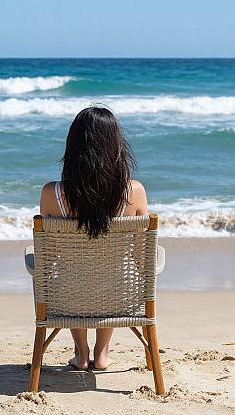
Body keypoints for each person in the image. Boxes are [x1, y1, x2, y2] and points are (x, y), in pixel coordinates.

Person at [39, 106, 148, 370]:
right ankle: (101, 353)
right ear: (116, 145)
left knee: (71, 275)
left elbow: (49, 258)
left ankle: (81, 352)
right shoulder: (134, 192)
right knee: (111, 274)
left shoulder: (51, 194)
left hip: (67, 300)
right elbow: (141, 257)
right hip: (121, 298)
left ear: (73, 146)